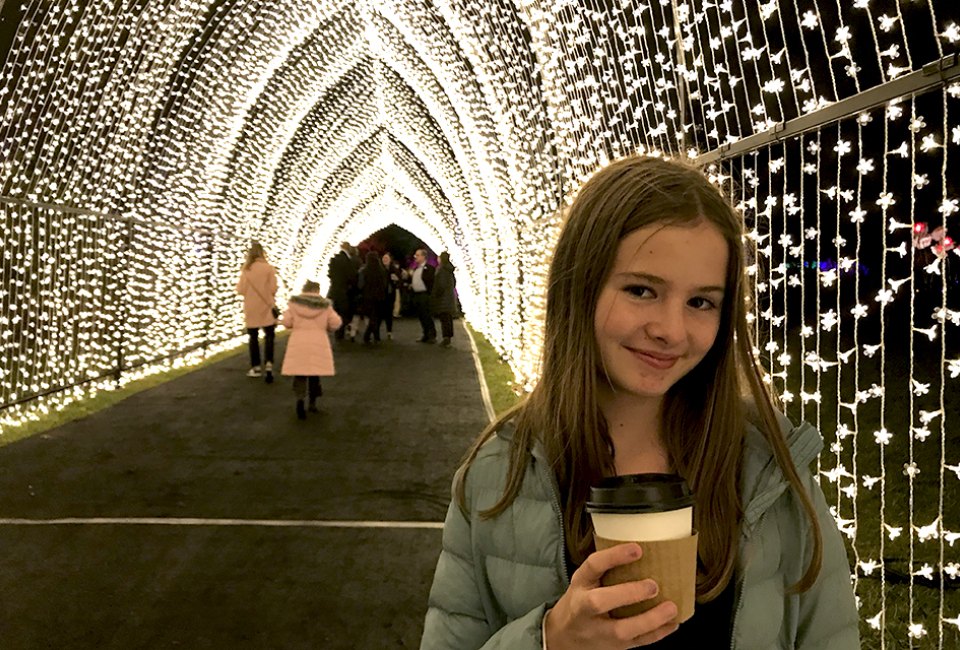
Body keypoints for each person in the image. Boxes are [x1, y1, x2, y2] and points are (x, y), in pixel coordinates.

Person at [420, 156, 859, 649]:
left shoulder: (770, 469)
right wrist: (548, 641)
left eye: (701, 302)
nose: (670, 330)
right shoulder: (498, 473)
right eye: (642, 289)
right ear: (580, 287)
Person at [280, 280, 342, 420]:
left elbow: (287, 322)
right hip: (318, 341)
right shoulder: (325, 306)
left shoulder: (294, 304)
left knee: (300, 374)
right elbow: (336, 323)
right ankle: (313, 402)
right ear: (317, 290)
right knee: (315, 373)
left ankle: (300, 400)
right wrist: (327, 328)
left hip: (299, 341)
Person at [235, 241, 278, 383]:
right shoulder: (269, 268)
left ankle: (256, 367)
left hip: (251, 307)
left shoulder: (246, 270)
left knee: (253, 337)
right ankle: (269, 364)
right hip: (266, 306)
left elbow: (240, 290)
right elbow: (273, 288)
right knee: (269, 336)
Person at [327, 242, 355, 340]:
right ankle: (341, 333)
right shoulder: (348, 261)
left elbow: (329, 274)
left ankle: (337, 333)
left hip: (335, 290)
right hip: (345, 291)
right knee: (344, 313)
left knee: (337, 311)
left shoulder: (334, 259)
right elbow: (351, 276)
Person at [359, 251, 388, 344]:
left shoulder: (364, 271)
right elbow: (385, 284)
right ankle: (375, 336)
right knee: (377, 317)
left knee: (372, 317)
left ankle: (368, 336)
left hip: (368, 297)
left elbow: (360, 285)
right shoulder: (381, 271)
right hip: (379, 297)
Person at [430, 251, 457, 348]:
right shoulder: (449, 270)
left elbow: (440, 285)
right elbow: (453, 283)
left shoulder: (441, 270)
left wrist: (435, 295)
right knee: (448, 318)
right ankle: (448, 337)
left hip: (443, 299)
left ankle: (446, 338)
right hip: (449, 297)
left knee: (444, 319)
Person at [410, 248, 436, 343]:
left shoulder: (429, 268)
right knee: (421, 315)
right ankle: (425, 334)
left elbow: (431, 282)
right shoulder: (416, 268)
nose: (415, 257)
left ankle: (431, 335)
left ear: (423, 256)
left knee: (427, 315)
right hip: (417, 294)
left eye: (417, 255)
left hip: (425, 295)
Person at [382, 252, 402, 339]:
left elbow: (399, 281)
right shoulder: (380, 269)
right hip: (381, 293)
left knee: (389, 313)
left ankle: (389, 331)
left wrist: (396, 280)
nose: (385, 260)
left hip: (390, 294)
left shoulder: (394, 269)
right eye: (384, 258)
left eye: (386, 258)